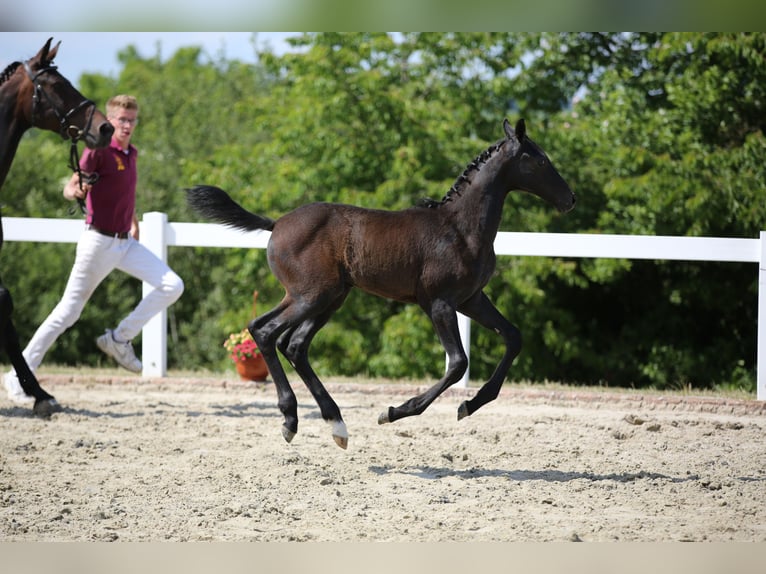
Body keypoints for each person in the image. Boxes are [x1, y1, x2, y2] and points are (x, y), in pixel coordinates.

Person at [4, 94, 184, 403]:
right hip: (97, 243)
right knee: (67, 314)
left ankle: (119, 338)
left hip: (124, 243)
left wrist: (132, 218)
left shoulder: (132, 154)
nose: (127, 125)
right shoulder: (97, 151)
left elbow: (122, 191)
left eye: (131, 120)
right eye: (121, 120)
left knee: (172, 285)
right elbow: (72, 185)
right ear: (110, 121)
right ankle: (17, 376)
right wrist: (74, 190)